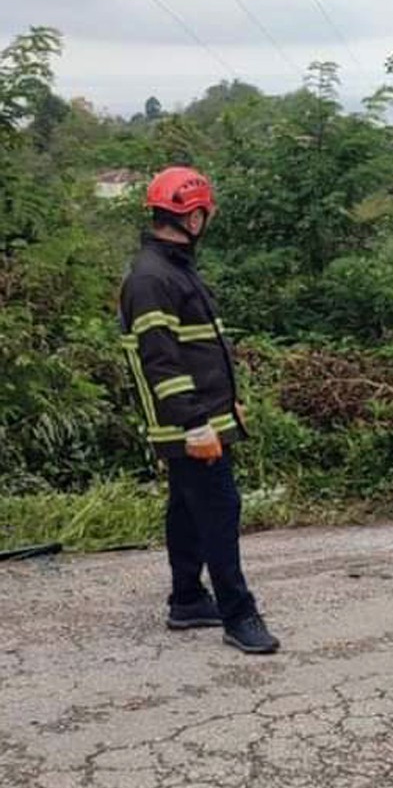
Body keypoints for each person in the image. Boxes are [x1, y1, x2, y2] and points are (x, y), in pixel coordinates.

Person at [118, 166, 279, 654]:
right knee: (219, 509)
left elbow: (202, 350)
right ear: (191, 216)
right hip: (188, 421)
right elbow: (161, 361)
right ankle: (238, 614)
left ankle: (187, 599)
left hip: (205, 414)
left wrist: (230, 404)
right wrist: (194, 425)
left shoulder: (175, 270)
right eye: (203, 213)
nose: (206, 221)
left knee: (187, 510)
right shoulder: (152, 278)